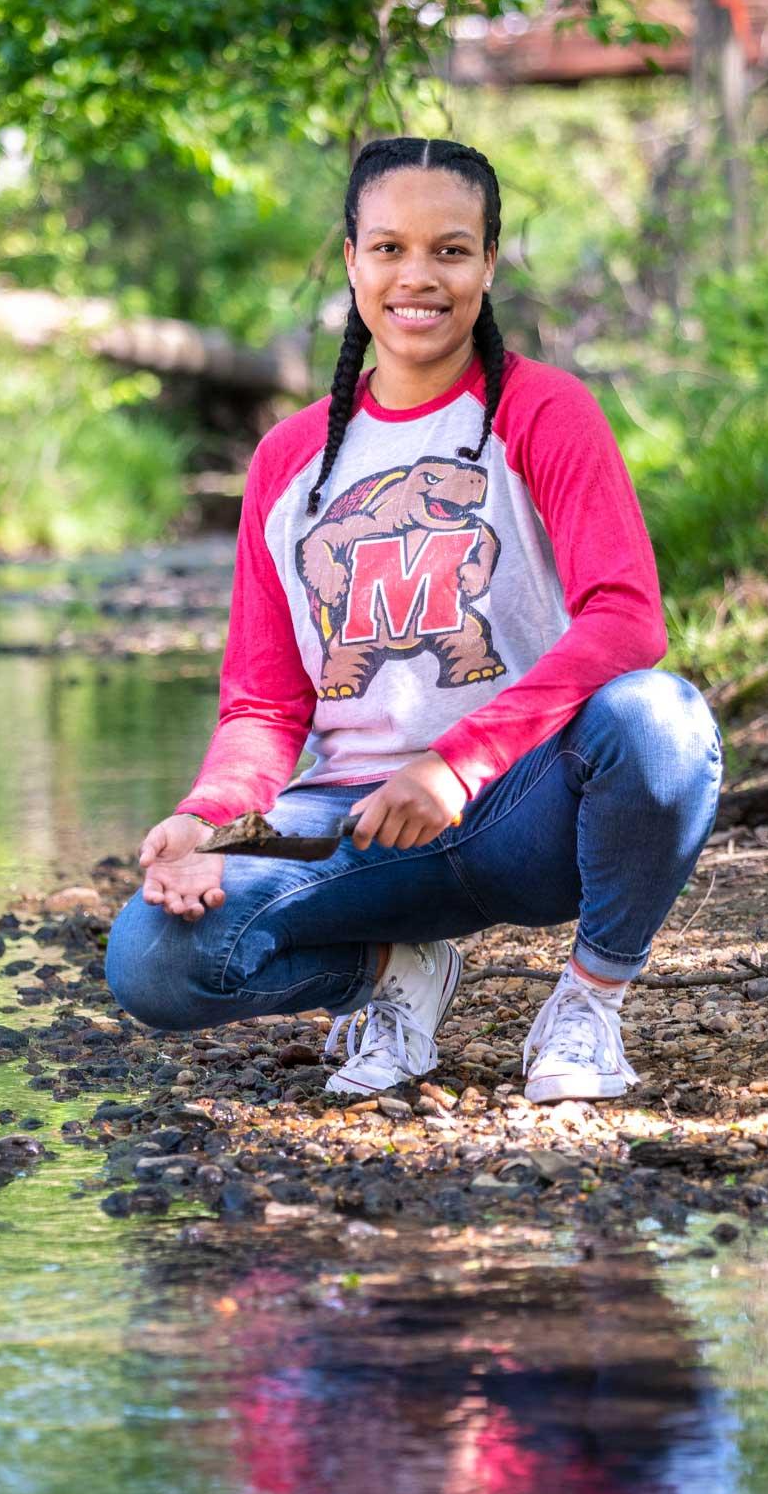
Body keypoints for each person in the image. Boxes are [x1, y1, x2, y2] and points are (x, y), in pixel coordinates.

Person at [106, 136, 721, 1102]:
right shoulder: (286, 460)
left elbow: (627, 621)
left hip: (524, 808)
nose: (418, 276)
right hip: (349, 821)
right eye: (388, 249)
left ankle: (589, 1005)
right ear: (351, 260)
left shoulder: (545, 412)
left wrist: (460, 759)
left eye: (450, 249)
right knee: (152, 957)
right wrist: (207, 817)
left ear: (486, 264)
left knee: (662, 720)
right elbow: (265, 706)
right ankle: (395, 971)